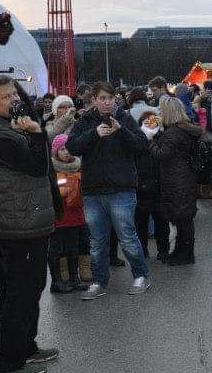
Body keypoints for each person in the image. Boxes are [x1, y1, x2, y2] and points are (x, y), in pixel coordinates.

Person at [0, 74, 59, 373]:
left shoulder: (3, 126)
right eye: (5, 97)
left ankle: (25, 347)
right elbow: (36, 166)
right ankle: (8, 362)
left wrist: (31, 127)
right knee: (20, 292)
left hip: (25, 217)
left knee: (31, 287)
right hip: (17, 222)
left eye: (13, 94)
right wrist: (36, 134)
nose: (13, 101)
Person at [66, 81, 152, 299]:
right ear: (94, 100)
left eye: (110, 98)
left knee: (127, 236)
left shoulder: (124, 118)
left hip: (121, 188)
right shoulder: (85, 121)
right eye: (102, 98)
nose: (107, 102)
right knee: (97, 241)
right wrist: (95, 134)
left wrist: (120, 131)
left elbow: (141, 145)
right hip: (93, 190)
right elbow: (71, 146)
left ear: (116, 99)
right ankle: (99, 281)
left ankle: (141, 275)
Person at [148, 96, 202, 265]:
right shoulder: (183, 129)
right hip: (183, 177)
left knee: (181, 218)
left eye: (161, 110)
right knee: (183, 218)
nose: (159, 112)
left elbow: (161, 154)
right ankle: (182, 252)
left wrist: (149, 140)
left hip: (176, 178)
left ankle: (184, 254)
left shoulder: (173, 133)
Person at [48, 135, 90, 293]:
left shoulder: (79, 168)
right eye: (62, 149)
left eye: (69, 148)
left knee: (74, 248)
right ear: (56, 152)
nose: (66, 152)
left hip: (75, 215)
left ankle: (74, 278)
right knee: (56, 249)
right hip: (57, 216)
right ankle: (56, 280)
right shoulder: (52, 170)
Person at [134, 110, 169, 261]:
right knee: (141, 222)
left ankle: (163, 250)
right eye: (146, 122)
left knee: (161, 220)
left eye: (152, 121)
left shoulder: (162, 137)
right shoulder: (137, 139)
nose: (150, 125)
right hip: (141, 186)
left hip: (158, 185)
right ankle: (143, 250)